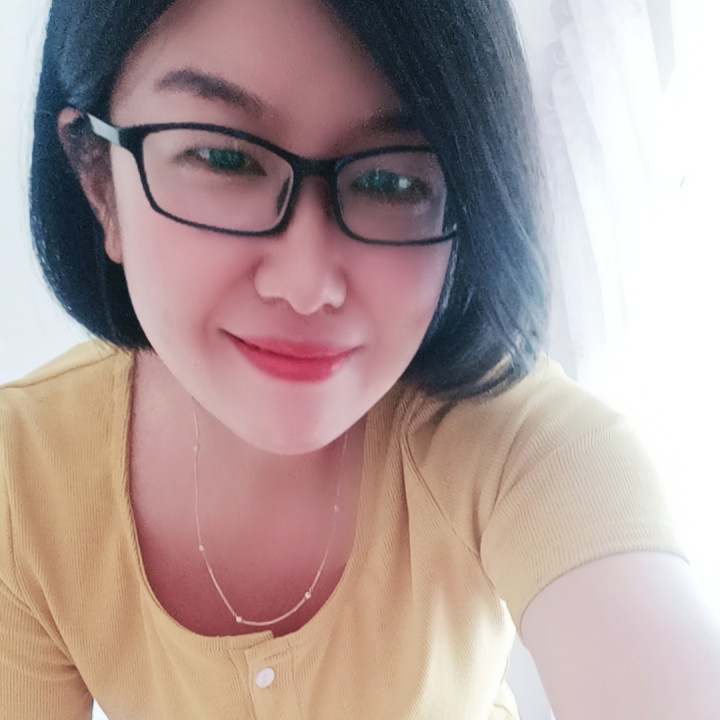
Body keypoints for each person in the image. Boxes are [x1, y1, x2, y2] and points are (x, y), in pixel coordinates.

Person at [1, 0, 718, 717]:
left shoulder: (520, 448)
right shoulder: (23, 479)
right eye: (224, 157)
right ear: (99, 181)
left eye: (392, 181)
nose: (307, 283)